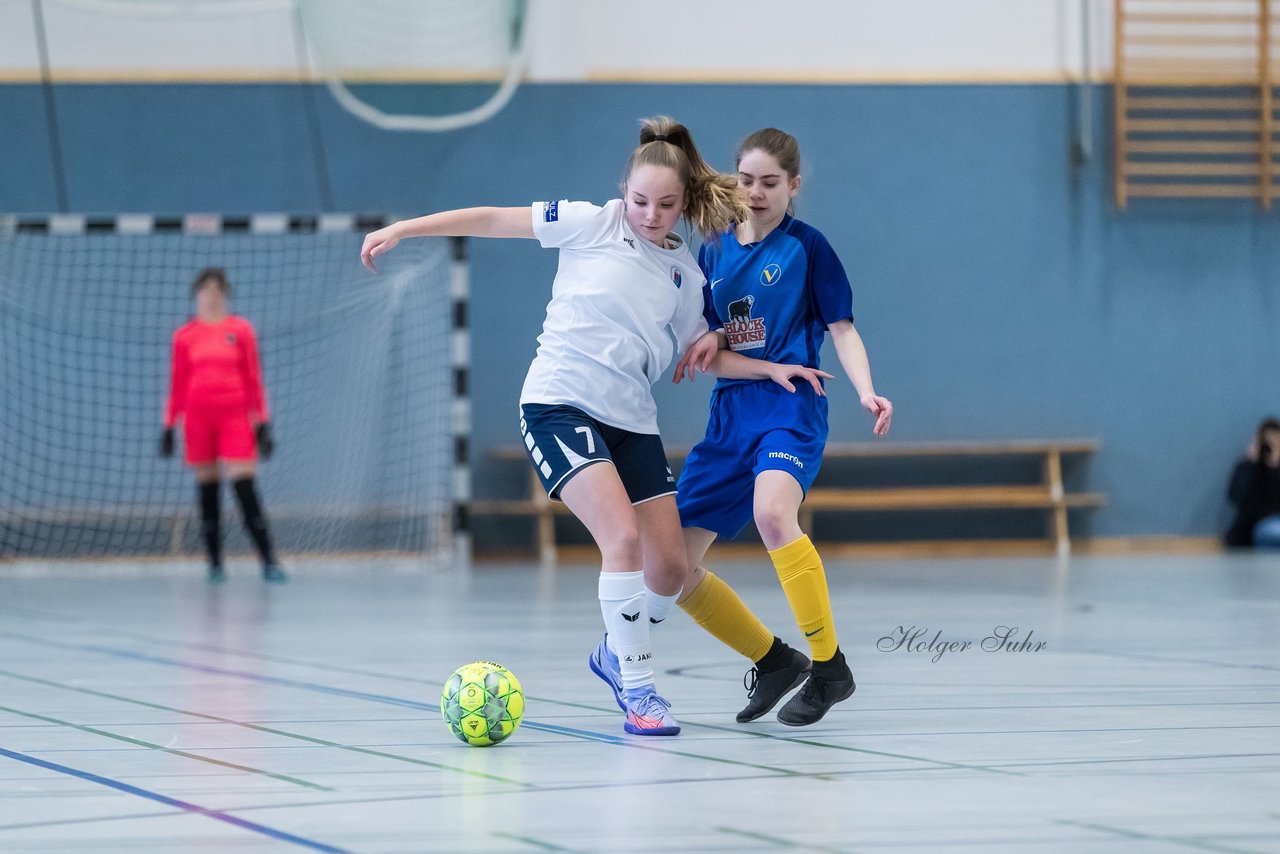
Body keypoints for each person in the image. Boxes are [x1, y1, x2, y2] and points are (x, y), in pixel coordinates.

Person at [361, 117, 824, 736]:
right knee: (622, 542)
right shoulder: (590, 221)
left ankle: (613, 654)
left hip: (631, 419)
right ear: (623, 191)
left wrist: (769, 367)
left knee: (668, 569)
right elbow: (495, 218)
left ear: (682, 202)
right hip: (559, 405)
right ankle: (638, 690)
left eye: (665, 204)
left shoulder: (685, 272)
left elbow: (707, 351)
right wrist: (406, 228)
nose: (649, 214)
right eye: (639, 200)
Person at [671, 127, 893, 726]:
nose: (757, 192)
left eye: (771, 183)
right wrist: (712, 338)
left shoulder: (808, 248)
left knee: (773, 515)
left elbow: (842, 329)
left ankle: (829, 668)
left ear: (793, 186)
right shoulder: (713, 250)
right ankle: (773, 661)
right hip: (729, 417)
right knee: (668, 568)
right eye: (747, 180)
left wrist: (868, 390)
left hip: (791, 405)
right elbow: (705, 349)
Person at [161, 267, 286, 584]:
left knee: (244, 487)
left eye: (218, 289)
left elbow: (254, 378)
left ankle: (269, 560)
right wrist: (168, 425)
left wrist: (263, 423)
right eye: (206, 289)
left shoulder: (240, 330)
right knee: (208, 489)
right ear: (197, 295)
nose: (212, 295)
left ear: (226, 294)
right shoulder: (185, 336)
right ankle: (215, 562)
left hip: (235, 417)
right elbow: (177, 383)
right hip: (199, 418)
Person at [1225, 417, 1280, 548]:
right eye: (1267, 444)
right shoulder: (1247, 467)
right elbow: (1235, 496)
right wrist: (1252, 463)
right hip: (1255, 527)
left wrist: (1274, 467)